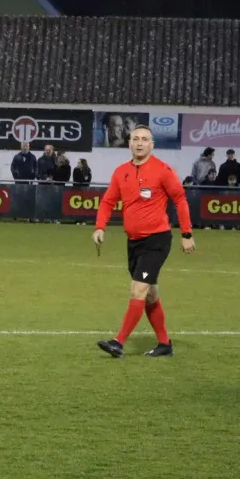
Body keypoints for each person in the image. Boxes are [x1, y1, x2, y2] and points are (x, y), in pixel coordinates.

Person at [93, 125, 193, 359]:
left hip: (157, 240)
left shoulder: (162, 170)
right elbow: (108, 202)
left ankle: (118, 342)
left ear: (152, 145)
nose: (139, 143)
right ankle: (164, 344)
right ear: (129, 143)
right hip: (134, 242)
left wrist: (186, 234)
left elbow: (180, 199)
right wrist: (100, 227)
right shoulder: (120, 172)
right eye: (135, 139)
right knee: (150, 295)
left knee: (138, 289)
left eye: (144, 139)